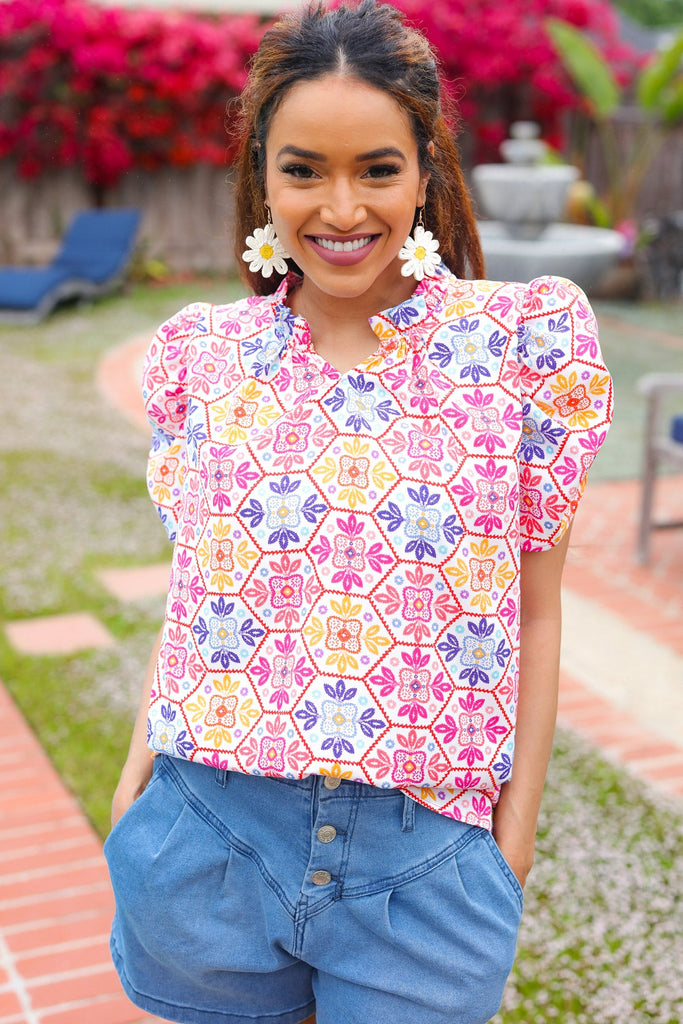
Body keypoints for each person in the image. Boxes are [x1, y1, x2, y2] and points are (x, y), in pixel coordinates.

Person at [104, 3, 612, 1023]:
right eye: (304, 170)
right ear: (264, 176)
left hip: (425, 867)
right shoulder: (199, 358)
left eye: (376, 169)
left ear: (425, 170)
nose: (340, 208)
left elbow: (537, 611)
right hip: (206, 835)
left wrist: (507, 842)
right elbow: (198, 591)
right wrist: (135, 794)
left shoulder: (522, 347)